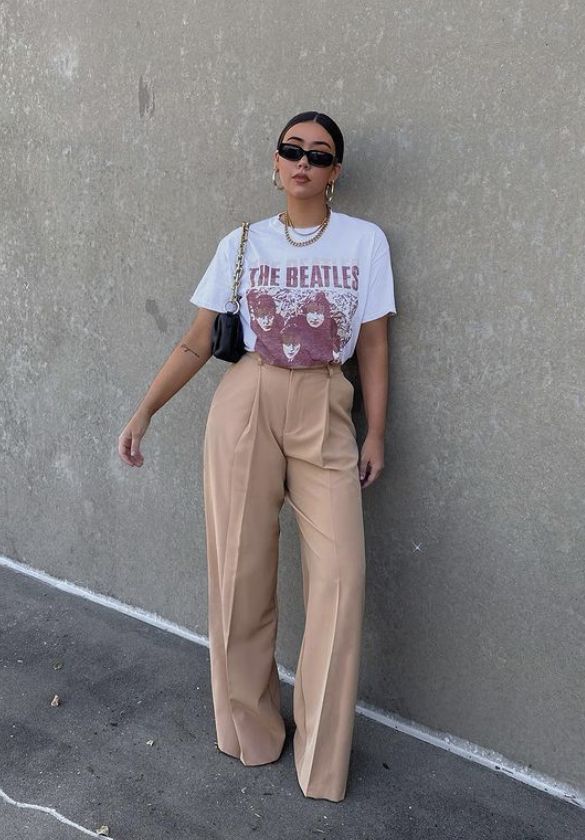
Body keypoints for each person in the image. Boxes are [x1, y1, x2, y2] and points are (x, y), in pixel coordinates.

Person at [117, 111, 397, 802]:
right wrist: (147, 409)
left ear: (335, 172)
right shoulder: (242, 242)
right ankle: (250, 731)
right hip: (245, 403)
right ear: (274, 163)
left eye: (318, 154)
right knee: (239, 575)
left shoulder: (365, 242)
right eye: (290, 150)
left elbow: (373, 346)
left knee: (341, 579)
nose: (302, 162)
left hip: (326, 407)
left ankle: (320, 761)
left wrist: (375, 431)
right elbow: (196, 339)